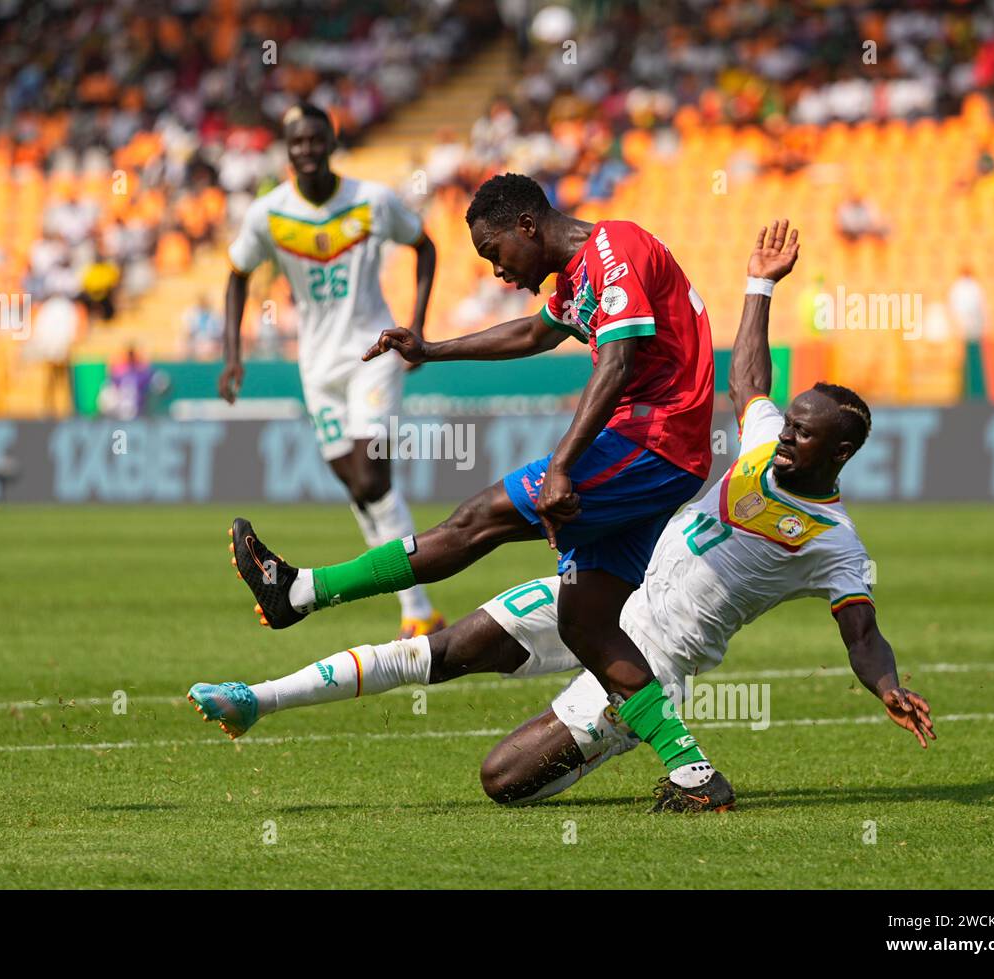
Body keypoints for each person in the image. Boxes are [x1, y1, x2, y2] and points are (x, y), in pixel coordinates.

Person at [193, 222, 935, 812]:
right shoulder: (765, 442)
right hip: (619, 589)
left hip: (648, 659)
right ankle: (260, 693)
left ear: (838, 453)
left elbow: (862, 633)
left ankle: (683, 759)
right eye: (790, 421)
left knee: (501, 778)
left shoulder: (836, 543)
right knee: (442, 649)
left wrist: (886, 684)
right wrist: (758, 284)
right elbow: (747, 378)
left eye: (803, 434)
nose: (785, 435)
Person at [230, 173, 717, 802]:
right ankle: (693, 771)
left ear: (527, 226)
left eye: (496, 254)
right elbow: (530, 334)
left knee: (478, 518)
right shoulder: (576, 280)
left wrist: (564, 463)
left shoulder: (615, 248)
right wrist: (432, 351)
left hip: (655, 440)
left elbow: (619, 364)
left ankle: (299, 591)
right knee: (587, 623)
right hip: (659, 454)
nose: (498, 273)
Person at [221, 102, 443, 639]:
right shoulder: (269, 213)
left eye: (317, 140)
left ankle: (416, 611)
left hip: (374, 351)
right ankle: (420, 611)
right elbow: (236, 275)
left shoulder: (372, 200)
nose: (308, 150)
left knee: (372, 477)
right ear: (288, 149)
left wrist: (416, 326)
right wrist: (233, 354)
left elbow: (425, 247)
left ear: (331, 143)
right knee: (359, 490)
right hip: (316, 366)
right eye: (298, 142)